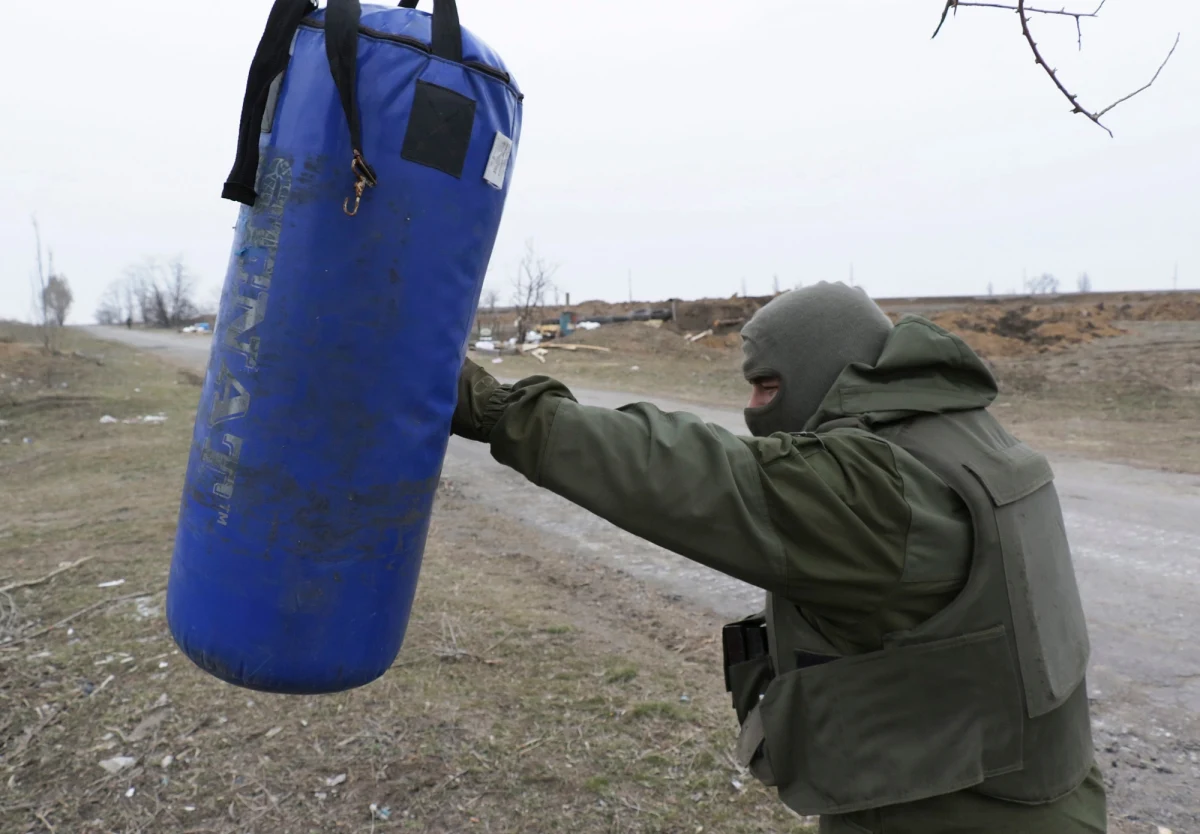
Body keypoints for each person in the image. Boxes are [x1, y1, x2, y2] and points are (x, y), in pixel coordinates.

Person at [450, 281, 1106, 833]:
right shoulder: (961, 432)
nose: (752, 408)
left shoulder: (878, 489)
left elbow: (690, 475)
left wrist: (497, 411)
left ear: (830, 372)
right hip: (1020, 793)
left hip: (959, 815)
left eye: (767, 386)